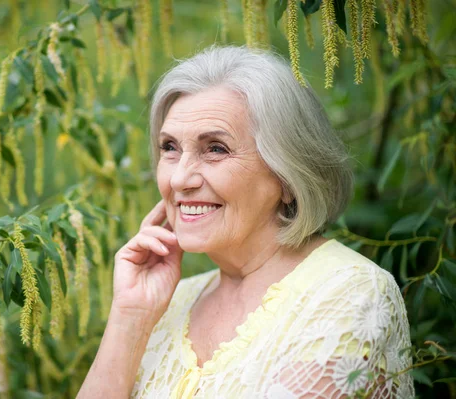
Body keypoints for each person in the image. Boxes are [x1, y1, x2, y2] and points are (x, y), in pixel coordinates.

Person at [77, 46, 414, 398]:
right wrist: (130, 318)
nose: (179, 180)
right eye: (170, 148)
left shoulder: (348, 292)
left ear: (287, 174)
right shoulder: (171, 302)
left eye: (215, 149)